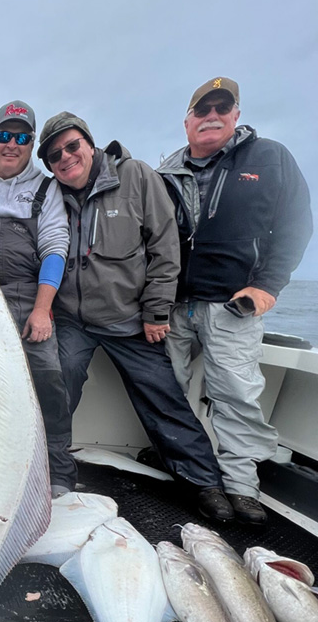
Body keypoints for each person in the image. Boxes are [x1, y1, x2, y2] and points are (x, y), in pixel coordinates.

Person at [36, 111, 233, 523]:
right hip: (73, 319)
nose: (66, 157)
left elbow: (166, 248)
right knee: (55, 381)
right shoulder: (51, 193)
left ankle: (203, 483)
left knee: (162, 394)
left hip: (130, 320)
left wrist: (156, 311)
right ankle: (46, 471)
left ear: (90, 144)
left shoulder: (137, 176)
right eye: (54, 155)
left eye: (72, 146)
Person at [158, 77, 313, 524]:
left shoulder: (269, 157)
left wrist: (269, 285)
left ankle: (241, 485)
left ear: (236, 115)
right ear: (187, 121)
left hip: (232, 304)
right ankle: (182, 467)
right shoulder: (167, 170)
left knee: (236, 395)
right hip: (174, 302)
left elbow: (296, 223)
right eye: (202, 110)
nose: (212, 116)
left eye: (221, 109)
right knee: (168, 389)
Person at [0, 100, 76, 495]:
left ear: (31, 145)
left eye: (22, 138)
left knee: (49, 378)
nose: (11, 144)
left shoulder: (45, 188)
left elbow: (54, 247)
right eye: (4, 135)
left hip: (26, 296)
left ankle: (58, 468)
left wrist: (42, 310)